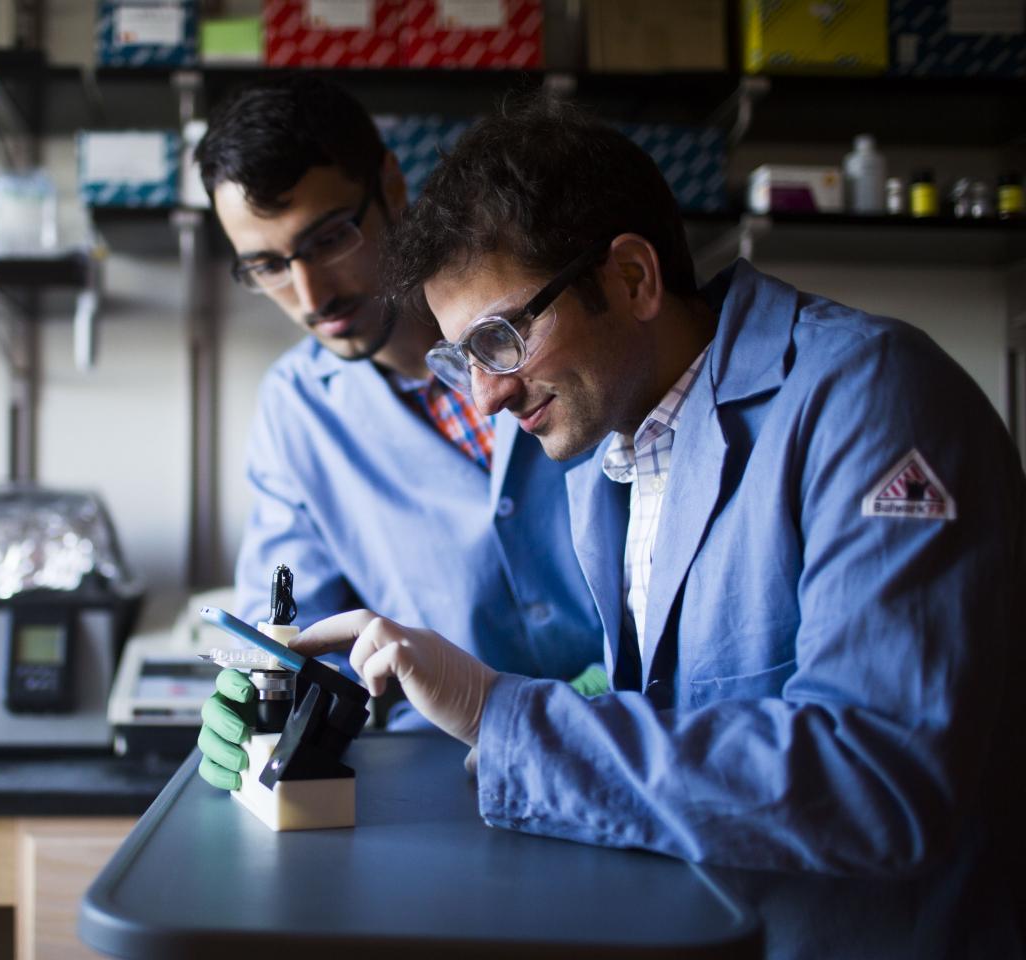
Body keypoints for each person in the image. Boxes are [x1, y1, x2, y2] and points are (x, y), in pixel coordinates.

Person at [295, 96, 1025, 958]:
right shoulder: (611, 458)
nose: (485, 396)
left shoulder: (873, 398)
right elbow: (678, 711)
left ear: (633, 278)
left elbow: (878, 785)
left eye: (500, 338)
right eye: (462, 360)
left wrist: (502, 714)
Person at [192, 78, 605, 789]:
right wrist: (263, 693)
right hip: (449, 780)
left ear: (389, 182)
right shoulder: (297, 413)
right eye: (267, 267)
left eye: (328, 239)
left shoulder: (567, 331)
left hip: (646, 742)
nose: (311, 296)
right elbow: (297, 634)